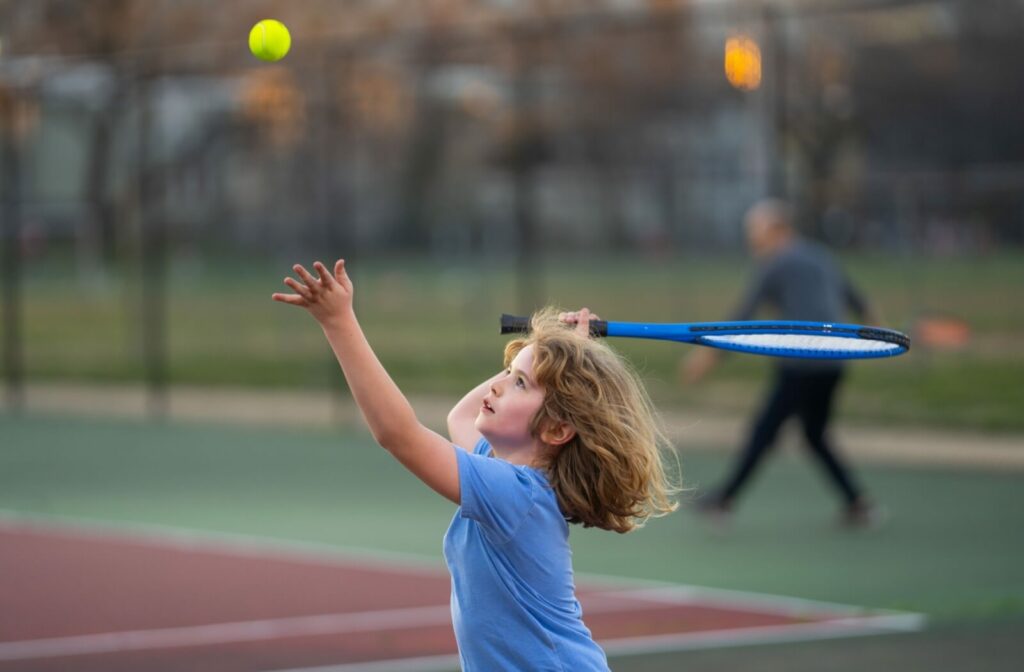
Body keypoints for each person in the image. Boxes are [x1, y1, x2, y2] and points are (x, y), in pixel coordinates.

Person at [273, 259, 678, 671]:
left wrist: (339, 322)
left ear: (557, 429)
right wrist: (559, 347)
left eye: (519, 383)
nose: (499, 385)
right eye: (507, 370)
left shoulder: (515, 494)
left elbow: (398, 434)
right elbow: (462, 418)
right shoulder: (501, 469)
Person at [681, 199, 882, 528]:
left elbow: (743, 317)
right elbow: (859, 301)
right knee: (814, 434)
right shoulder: (820, 255)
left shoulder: (775, 262)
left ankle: (725, 500)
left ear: (775, 229)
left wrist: (706, 354)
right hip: (834, 360)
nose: (752, 241)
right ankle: (857, 502)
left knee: (764, 432)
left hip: (800, 361)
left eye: (755, 233)